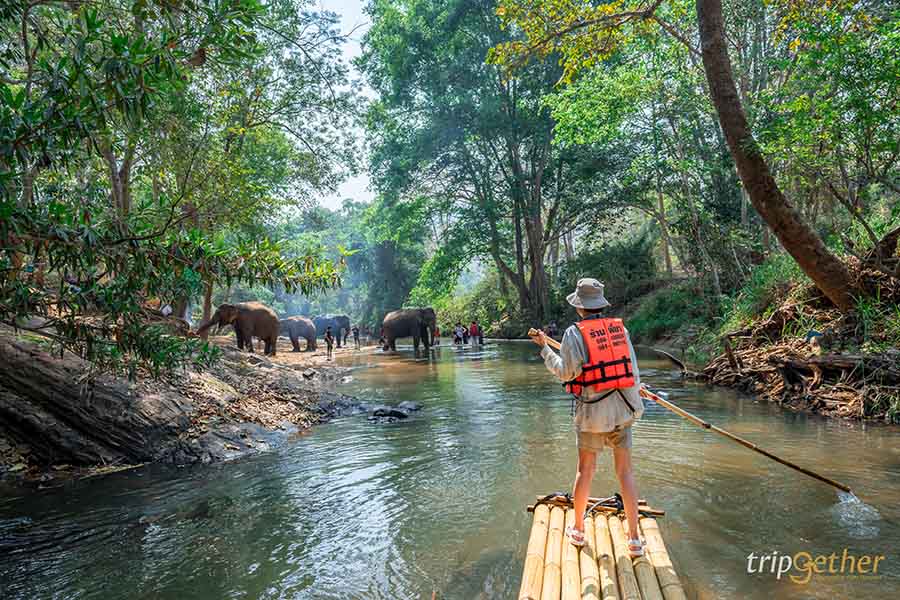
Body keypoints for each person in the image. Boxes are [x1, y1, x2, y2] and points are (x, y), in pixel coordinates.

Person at [530, 278, 645, 556]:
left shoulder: (573, 333)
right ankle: (633, 539)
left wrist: (544, 348)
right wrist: (637, 394)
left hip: (593, 414)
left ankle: (578, 531)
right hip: (624, 410)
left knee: (585, 471)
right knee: (625, 473)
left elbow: (567, 372)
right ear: (600, 305)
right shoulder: (620, 329)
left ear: (580, 307)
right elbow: (632, 370)